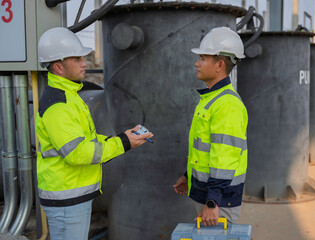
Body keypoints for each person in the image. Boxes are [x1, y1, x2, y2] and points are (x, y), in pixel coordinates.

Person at [35, 27, 153, 240]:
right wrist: (123, 144)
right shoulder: (58, 105)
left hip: (73, 197)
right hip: (66, 201)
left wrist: (120, 138)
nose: (84, 63)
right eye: (77, 59)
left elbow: (86, 139)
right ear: (58, 67)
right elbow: (77, 153)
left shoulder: (70, 96)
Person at [173, 27, 248, 226]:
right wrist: (188, 176)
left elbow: (225, 158)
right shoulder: (212, 98)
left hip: (219, 200)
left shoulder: (227, 105)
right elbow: (204, 148)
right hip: (208, 193)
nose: (197, 63)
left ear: (219, 65)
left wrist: (213, 202)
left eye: (203, 58)